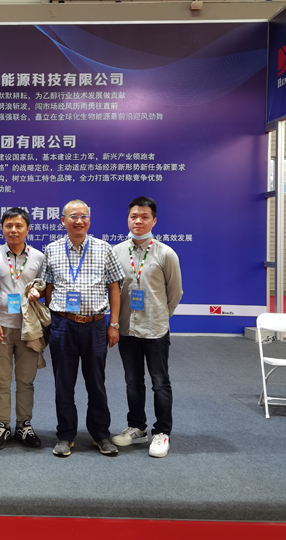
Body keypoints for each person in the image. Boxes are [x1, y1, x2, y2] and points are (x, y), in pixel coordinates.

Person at [29, 199, 124, 457]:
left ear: (89, 220)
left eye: (83, 216)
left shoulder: (104, 249)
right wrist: (51, 321)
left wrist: (113, 324)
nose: (79, 221)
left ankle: (101, 434)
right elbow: (48, 287)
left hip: (95, 325)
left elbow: (114, 288)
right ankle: (66, 435)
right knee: (64, 383)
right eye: (73, 216)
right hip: (63, 325)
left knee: (96, 383)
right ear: (63, 220)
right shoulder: (52, 249)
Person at [111, 196, 182, 458]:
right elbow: (114, 291)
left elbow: (175, 292)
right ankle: (137, 427)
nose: (138, 221)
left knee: (160, 382)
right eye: (134, 216)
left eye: (144, 217)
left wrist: (161, 316)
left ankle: (162, 432)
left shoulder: (165, 253)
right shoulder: (116, 252)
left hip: (155, 329)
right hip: (127, 328)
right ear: (128, 219)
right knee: (132, 382)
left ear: (154, 220)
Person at [0, 207, 45, 451]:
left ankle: (23, 425)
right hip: (0, 327)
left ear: (27, 229)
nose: (13, 230)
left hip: (29, 329)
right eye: (8, 226)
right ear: (2, 228)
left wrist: (38, 292)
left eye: (19, 226)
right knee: (1, 380)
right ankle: (2, 425)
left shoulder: (38, 257)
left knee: (26, 380)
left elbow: (46, 288)